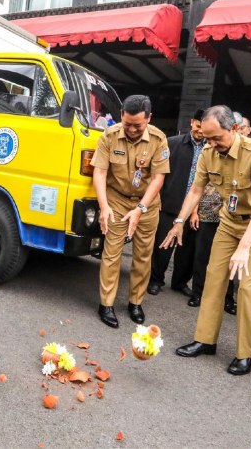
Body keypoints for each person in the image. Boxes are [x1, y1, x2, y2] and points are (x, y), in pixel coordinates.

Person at [161, 105, 251, 375]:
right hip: (229, 222)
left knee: (248, 288)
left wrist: (244, 248)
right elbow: (196, 189)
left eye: (217, 138)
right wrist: (179, 222)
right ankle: (205, 340)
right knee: (213, 278)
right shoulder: (208, 152)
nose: (212, 144)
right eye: (207, 138)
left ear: (235, 129)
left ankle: (246, 354)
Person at [91, 95, 170, 328]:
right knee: (111, 252)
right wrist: (104, 206)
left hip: (147, 203)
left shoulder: (158, 139)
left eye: (138, 125)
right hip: (116, 200)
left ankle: (135, 302)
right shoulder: (109, 135)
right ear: (121, 117)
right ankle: (106, 303)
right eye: (127, 124)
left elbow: (158, 178)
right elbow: (100, 173)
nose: (132, 129)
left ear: (149, 118)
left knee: (143, 255)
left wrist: (141, 209)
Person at [148, 109, 206, 298]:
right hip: (169, 204)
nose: (200, 131)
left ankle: (180, 282)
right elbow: (158, 174)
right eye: (198, 126)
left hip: (194, 208)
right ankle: (156, 279)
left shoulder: (211, 149)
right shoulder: (172, 143)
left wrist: (195, 210)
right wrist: (157, 201)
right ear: (191, 122)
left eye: (204, 128)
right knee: (162, 246)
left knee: (187, 250)